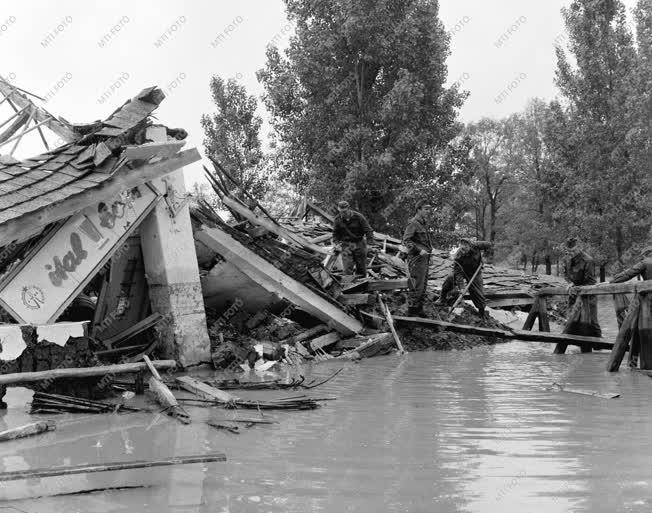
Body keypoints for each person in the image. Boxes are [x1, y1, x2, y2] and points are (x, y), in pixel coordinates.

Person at [559, 237, 601, 353]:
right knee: (572, 318)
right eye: (568, 251)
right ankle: (577, 345)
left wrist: (575, 285)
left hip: (588, 294)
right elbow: (566, 275)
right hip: (573, 293)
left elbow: (589, 280)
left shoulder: (588, 260)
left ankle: (598, 347)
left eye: (572, 251)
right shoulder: (567, 260)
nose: (570, 253)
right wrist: (570, 283)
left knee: (592, 321)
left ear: (579, 248)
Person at [438, 237, 492, 317]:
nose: (464, 251)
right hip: (462, 271)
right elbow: (458, 273)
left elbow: (489, 245)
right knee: (450, 278)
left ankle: (481, 312)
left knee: (477, 291)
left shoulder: (476, 245)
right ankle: (442, 298)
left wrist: (485, 256)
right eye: (462, 249)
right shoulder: (458, 256)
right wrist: (462, 288)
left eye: (466, 248)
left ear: (470, 246)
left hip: (475, 272)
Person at [402, 201, 433, 317]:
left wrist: (430, 254)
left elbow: (426, 242)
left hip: (425, 258)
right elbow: (406, 241)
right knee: (416, 285)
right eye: (426, 209)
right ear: (418, 210)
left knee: (423, 285)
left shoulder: (424, 223)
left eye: (429, 209)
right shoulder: (413, 223)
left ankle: (419, 309)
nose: (428, 211)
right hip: (416, 258)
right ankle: (411, 311)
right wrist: (419, 250)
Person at [332, 200, 375, 279]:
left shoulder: (359, 217)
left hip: (359, 243)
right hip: (346, 245)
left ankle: (362, 285)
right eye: (341, 212)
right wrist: (336, 243)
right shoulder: (337, 219)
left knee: (361, 267)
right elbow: (335, 234)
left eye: (344, 212)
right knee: (347, 268)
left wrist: (370, 243)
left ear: (348, 209)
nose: (342, 214)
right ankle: (348, 287)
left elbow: (368, 230)